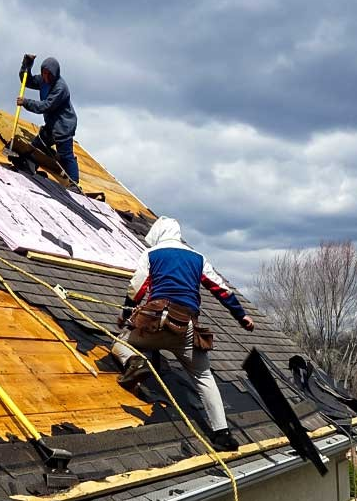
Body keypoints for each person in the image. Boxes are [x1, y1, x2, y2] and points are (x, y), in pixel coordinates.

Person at [112, 217, 255, 451]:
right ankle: (222, 433)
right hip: (185, 328)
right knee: (204, 376)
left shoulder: (152, 254)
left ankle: (135, 361)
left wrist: (126, 314)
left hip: (154, 324)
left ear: (158, 234)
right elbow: (221, 289)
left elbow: (137, 287)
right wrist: (242, 316)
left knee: (120, 343)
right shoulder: (197, 258)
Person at [17, 54, 80, 188]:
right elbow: (26, 81)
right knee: (37, 144)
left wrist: (26, 102)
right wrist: (27, 64)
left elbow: (46, 106)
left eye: (48, 74)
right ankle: (29, 163)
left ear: (55, 73)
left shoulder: (60, 88)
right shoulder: (43, 81)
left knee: (65, 155)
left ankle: (74, 183)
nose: (45, 77)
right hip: (51, 124)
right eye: (43, 73)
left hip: (63, 126)